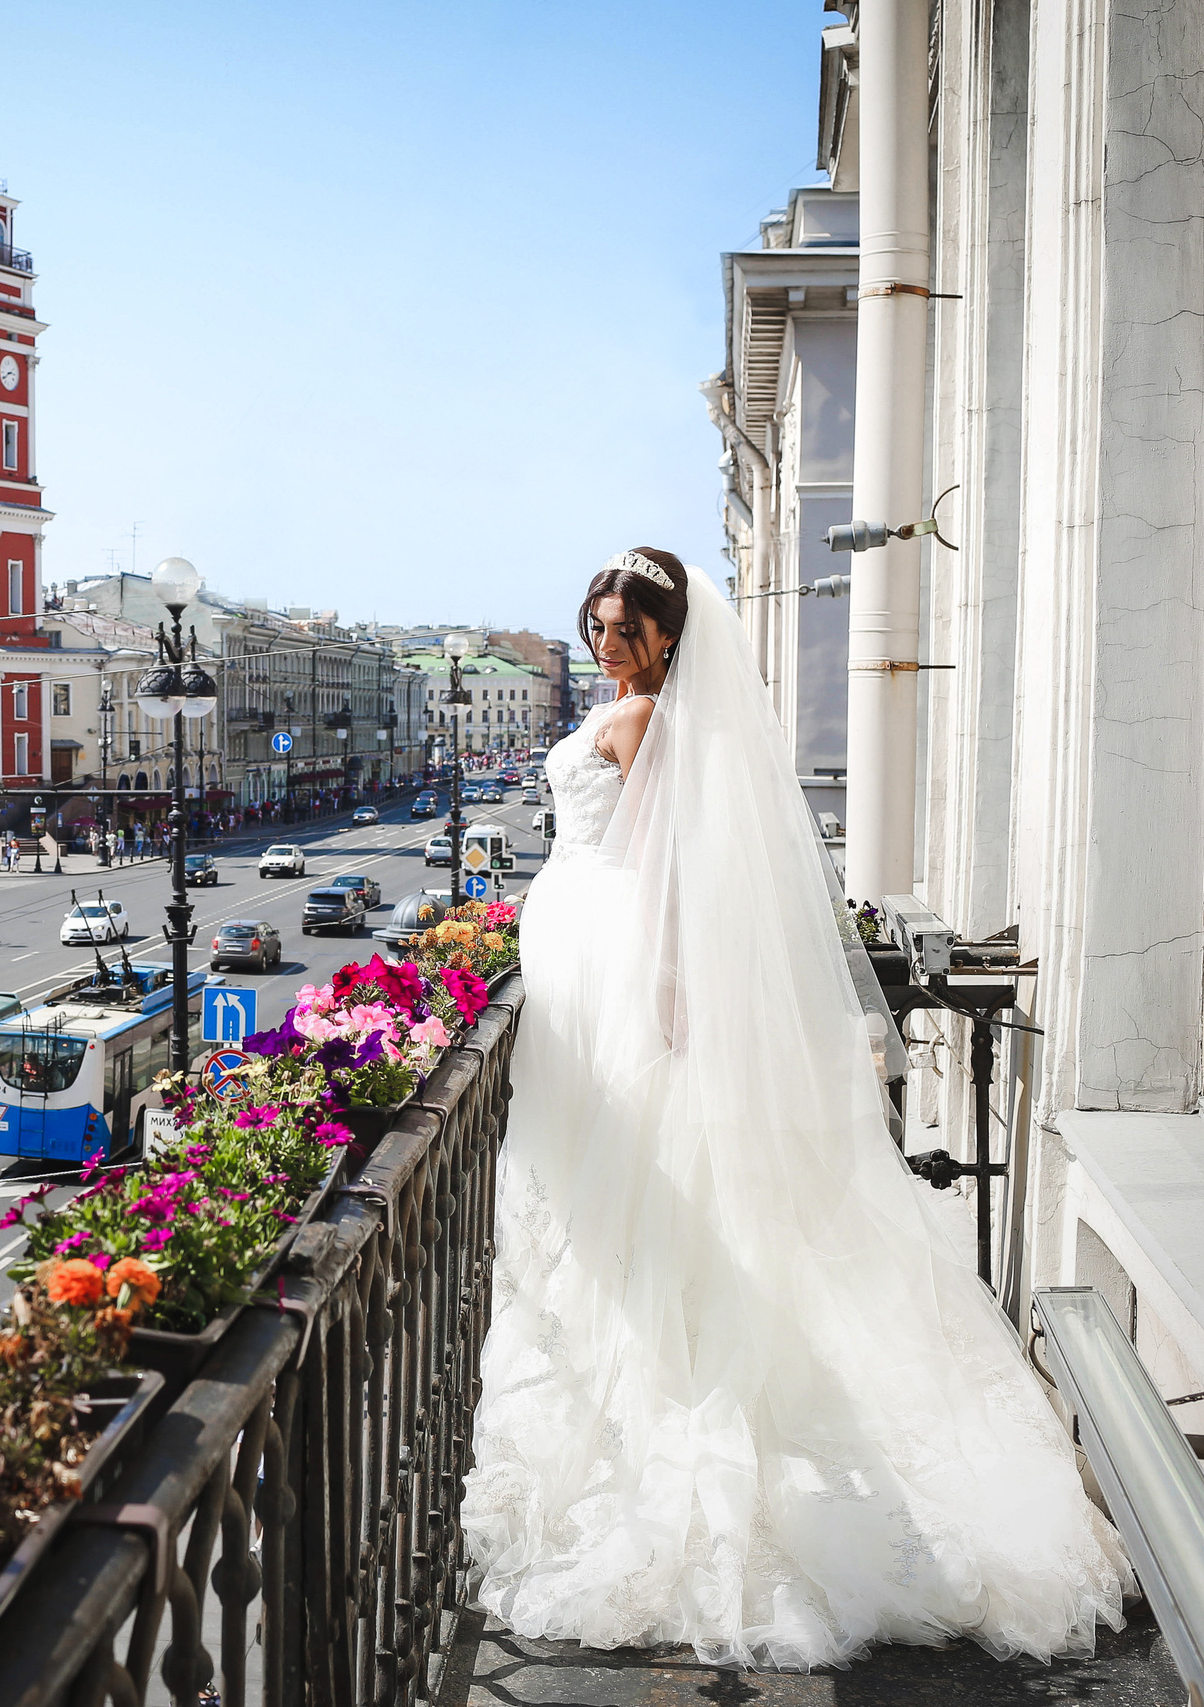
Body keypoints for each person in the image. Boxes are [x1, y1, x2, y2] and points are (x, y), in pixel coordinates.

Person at [460, 551, 1126, 1669]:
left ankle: (660, 1415)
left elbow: (674, 871)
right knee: (594, 1187)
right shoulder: (621, 707)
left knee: (632, 1193)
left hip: (619, 962)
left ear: (669, 638)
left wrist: (668, 987)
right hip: (579, 952)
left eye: (628, 626)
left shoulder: (648, 725)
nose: (608, 638)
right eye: (598, 620)